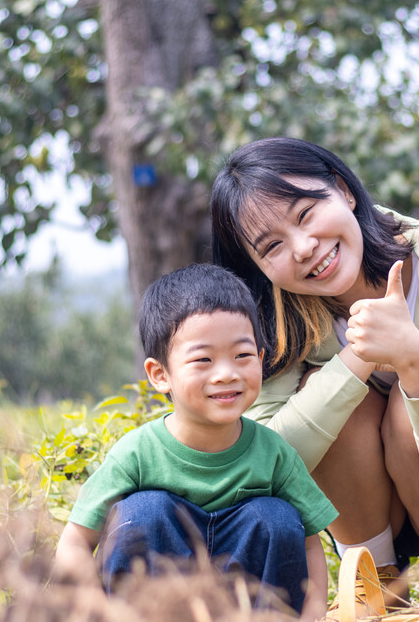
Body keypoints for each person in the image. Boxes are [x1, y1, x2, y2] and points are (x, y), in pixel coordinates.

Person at [210, 137, 419, 605]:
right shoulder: (272, 309)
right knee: (328, 398)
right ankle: (376, 591)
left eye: (306, 214)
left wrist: (414, 359)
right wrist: (357, 359)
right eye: (272, 247)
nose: (304, 248)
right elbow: (266, 462)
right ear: (258, 266)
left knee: (412, 401)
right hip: (365, 512)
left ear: (344, 191)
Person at [54, 264, 337, 620]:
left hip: (248, 606)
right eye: (203, 359)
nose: (226, 374)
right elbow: (76, 541)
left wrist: (314, 614)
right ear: (160, 375)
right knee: (143, 512)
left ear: (261, 360)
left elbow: (310, 543)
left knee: (277, 518)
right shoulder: (137, 453)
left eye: (242, 356)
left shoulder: (274, 454)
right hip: (157, 607)